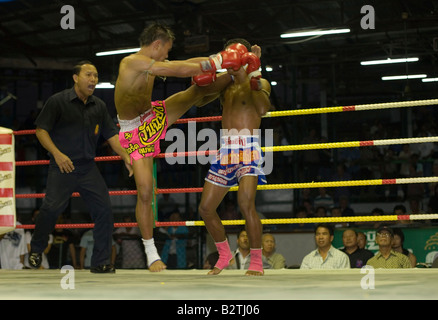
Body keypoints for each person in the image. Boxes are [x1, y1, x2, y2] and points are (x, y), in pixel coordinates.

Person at [114, 23, 239, 272]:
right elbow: (175, 68)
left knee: (195, 92)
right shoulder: (132, 63)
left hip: (152, 116)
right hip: (133, 132)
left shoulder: (151, 65)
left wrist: (229, 62)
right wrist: (216, 61)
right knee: (146, 191)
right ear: (156, 44)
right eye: (166, 50)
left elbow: (184, 62)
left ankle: (237, 74)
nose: (167, 56)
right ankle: (151, 253)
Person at [28, 60, 132, 273]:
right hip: (62, 166)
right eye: (88, 75)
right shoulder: (58, 101)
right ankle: (37, 249)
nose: (93, 79)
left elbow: (111, 133)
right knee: (50, 209)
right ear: (76, 78)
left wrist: (125, 156)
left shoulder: (99, 105)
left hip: (87, 167)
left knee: (104, 210)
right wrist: (57, 154)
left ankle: (101, 262)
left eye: (95, 75)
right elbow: (41, 131)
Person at [196, 39, 271, 276]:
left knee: (245, 204)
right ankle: (225, 255)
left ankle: (256, 262)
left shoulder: (258, 82)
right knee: (206, 209)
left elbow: (263, 110)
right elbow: (198, 100)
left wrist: (255, 76)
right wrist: (210, 75)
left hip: (248, 148)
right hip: (226, 150)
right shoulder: (224, 86)